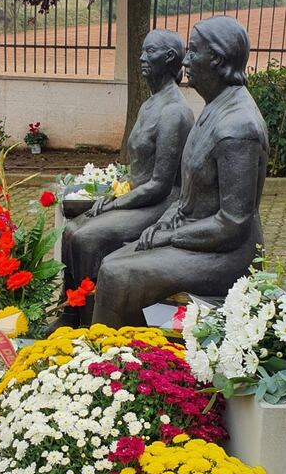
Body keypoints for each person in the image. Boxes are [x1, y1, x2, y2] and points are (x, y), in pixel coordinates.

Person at [92, 16, 269, 328]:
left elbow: (233, 225)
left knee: (117, 275)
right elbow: (190, 195)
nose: (185, 60)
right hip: (199, 231)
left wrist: (170, 236)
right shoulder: (214, 106)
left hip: (228, 255)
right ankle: (126, 351)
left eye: (193, 51)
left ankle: (111, 362)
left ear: (215, 59)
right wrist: (166, 221)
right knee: (111, 261)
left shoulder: (238, 127)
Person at [54, 29, 194, 328]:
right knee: (70, 231)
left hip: (160, 203)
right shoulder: (149, 104)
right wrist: (115, 195)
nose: (142, 57)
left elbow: (161, 184)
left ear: (169, 57)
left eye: (150, 52)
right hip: (140, 195)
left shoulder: (175, 112)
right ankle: (69, 313)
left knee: (87, 238)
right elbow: (137, 170)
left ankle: (93, 325)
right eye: (142, 50)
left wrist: (116, 204)